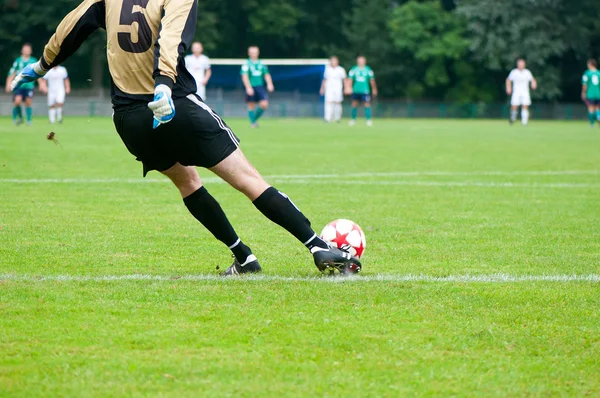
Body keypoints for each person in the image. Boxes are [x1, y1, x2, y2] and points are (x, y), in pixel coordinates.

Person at [11, 0, 360, 276]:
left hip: (129, 118)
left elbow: (74, 24)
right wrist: (163, 83)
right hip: (173, 104)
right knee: (247, 180)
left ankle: (244, 257)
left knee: (187, 182)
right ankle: (317, 246)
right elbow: (172, 38)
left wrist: (42, 65)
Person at [5, 44, 44, 126]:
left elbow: (38, 73)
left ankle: (29, 121)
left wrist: (42, 84)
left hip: (29, 86)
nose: (26, 50)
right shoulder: (18, 61)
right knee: (17, 101)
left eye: (28, 49)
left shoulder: (33, 60)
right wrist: (8, 84)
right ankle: (17, 118)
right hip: (19, 85)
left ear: (31, 51)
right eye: (25, 49)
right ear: (22, 51)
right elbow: (12, 73)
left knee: (28, 102)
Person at [241, 46, 274, 128]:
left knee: (264, 104)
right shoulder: (246, 64)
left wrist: (270, 84)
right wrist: (248, 87)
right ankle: (253, 124)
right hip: (251, 86)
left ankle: (254, 120)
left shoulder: (261, 63)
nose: (254, 54)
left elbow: (266, 74)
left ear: (258, 53)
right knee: (251, 105)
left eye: (255, 52)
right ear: (249, 53)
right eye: (252, 52)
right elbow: (244, 76)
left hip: (260, 87)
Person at [346, 56, 377, 127]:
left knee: (367, 104)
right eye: (359, 60)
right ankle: (353, 120)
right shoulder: (354, 69)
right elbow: (350, 79)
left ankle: (368, 120)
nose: (361, 62)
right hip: (355, 90)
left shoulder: (368, 70)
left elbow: (372, 80)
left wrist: (374, 89)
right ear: (357, 61)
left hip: (365, 90)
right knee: (354, 104)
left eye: (362, 60)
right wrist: (348, 87)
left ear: (364, 61)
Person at [506, 59, 537, 126]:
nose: (521, 65)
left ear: (524, 65)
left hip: (525, 91)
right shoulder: (514, 72)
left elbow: (532, 79)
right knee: (514, 106)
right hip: (516, 91)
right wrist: (508, 88)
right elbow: (508, 80)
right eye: (520, 64)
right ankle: (513, 118)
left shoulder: (527, 72)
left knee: (525, 105)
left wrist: (533, 84)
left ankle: (524, 122)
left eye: (522, 64)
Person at [320, 56, 346, 123]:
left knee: (337, 103)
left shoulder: (341, 69)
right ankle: (327, 118)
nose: (333, 62)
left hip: (338, 89)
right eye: (332, 60)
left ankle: (337, 118)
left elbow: (345, 79)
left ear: (337, 61)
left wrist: (346, 88)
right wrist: (322, 88)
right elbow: (325, 79)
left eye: (335, 60)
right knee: (328, 102)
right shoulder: (328, 69)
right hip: (329, 88)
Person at [581, 58, 600, 127]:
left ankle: (592, 124)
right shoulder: (599, 73)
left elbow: (584, 84)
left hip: (590, 94)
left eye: (588, 64)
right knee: (598, 108)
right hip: (598, 94)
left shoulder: (587, 73)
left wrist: (583, 93)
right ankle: (598, 116)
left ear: (591, 64)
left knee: (591, 108)